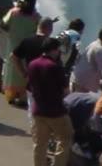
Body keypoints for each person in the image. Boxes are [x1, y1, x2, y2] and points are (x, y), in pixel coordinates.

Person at [27, 37, 73, 166]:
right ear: (54, 50)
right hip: (56, 111)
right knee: (65, 138)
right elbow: (65, 91)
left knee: (40, 144)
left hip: (38, 109)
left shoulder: (32, 64)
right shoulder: (55, 67)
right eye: (58, 50)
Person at [1, 0, 42, 105]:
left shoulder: (14, 12)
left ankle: (11, 96)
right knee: (25, 70)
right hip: (28, 47)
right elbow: (40, 31)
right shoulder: (36, 16)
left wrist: (12, 31)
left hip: (13, 44)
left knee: (12, 70)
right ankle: (23, 98)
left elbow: (3, 24)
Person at [7, 16, 55, 106]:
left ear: (39, 26)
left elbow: (13, 56)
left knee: (32, 109)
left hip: (31, 80)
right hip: (46, 83)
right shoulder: (52, 44)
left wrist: (24, 73)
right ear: (50, 29)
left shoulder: (27, 41)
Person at [73, 26, 102, 92]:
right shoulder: (99, 49)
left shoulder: (93, 44)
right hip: (83, 82)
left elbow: (98, 66)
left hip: (78, 77)